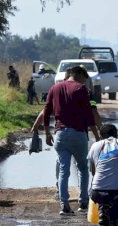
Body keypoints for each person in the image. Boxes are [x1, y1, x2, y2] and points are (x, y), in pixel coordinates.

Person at [43, 66, 100, 215]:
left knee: (64, 170)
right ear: (79, 74)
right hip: (78, 134)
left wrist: (47, 133)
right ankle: (83, 203)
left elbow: (46, 110)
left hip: (60, 134)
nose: (84, 81)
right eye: (84, 77)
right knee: (82, 168)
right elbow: (89, 115)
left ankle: (64, 205)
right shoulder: (80, 89)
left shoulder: (55, 88)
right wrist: (97, 136)